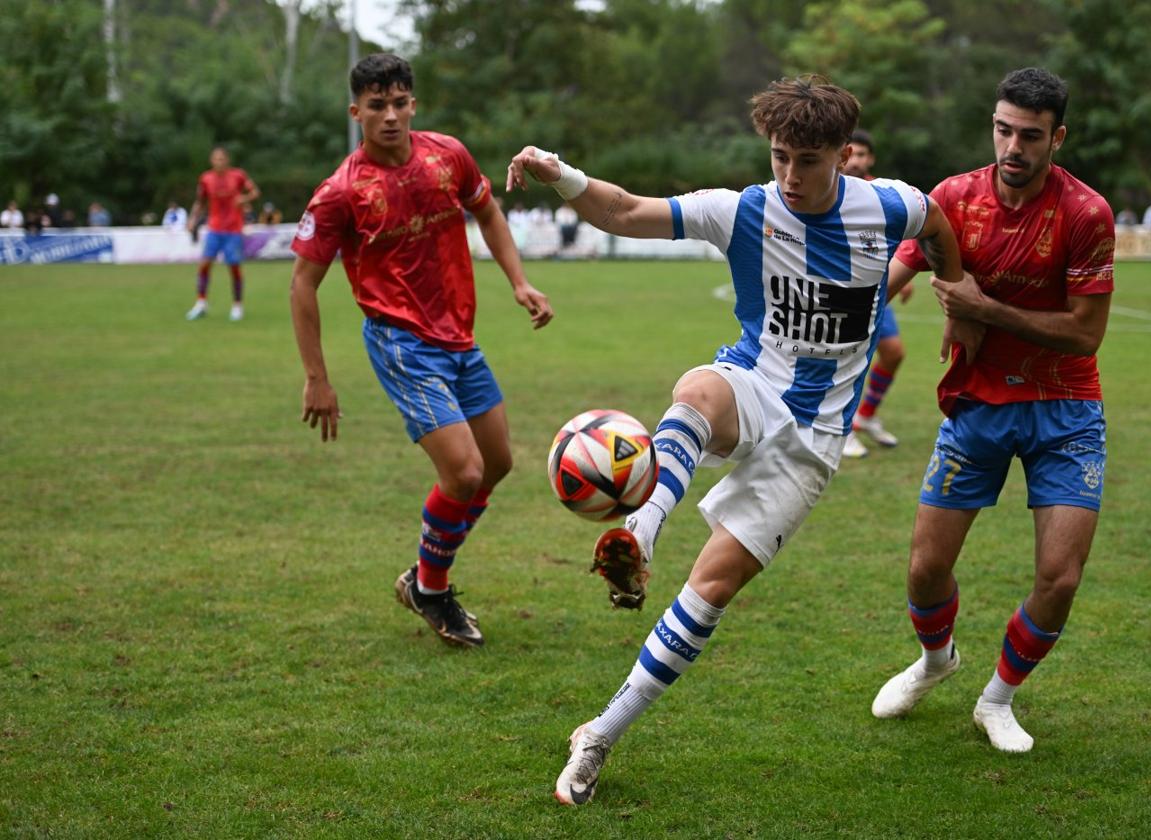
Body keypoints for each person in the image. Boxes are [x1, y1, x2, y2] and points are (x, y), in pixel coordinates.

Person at [508, 74, 963, 806]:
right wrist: (560, 172)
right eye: (780, 156)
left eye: (807, 160)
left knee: (710, 592)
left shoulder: (889, 206)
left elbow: (939, 224)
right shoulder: (744, 210)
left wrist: (958, 299)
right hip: (754, 385)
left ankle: (598, 735)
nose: (789, 174)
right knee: (697, 390)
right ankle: (642, 529)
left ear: (844, 155)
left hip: (813, 441)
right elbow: (624, 210)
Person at [870, 68, 1114, 754]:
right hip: (977, 404)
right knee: (924, 568)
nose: (1013, 146)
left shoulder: (1086, 214)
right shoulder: (954, 198)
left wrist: (981, 309)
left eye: (1031, 136)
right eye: (1004, 130)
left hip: (1066, 409)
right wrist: (851, 319)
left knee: (1059, 579)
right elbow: (903, 269)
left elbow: (1086, 332)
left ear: (1056, 138)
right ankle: (934, 660)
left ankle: (997, 698)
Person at [290, 53, 553, 648]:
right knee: (463, 472)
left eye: (399, 102)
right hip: (401, 342)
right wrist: (317, 378)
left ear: (413, 104)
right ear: (355, 111)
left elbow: (486, 210)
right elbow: (303, 284)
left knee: (498, 464)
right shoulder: (340, 192)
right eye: (376, 106)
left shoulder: (447, 156)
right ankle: (432, 588)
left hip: (459, 335)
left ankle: (423, 578)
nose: (389, 116)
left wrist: (519, 281)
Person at [841, 129, 912, 458]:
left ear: (870, 159)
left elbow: (901, 232)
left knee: (894, 353)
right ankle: (841, 431)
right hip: (838, 294)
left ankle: (865, 416)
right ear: (841, 155)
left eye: (863, 155)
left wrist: (904, 270)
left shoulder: (879, 192)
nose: (858, 160)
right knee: (850, 360)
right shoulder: (822, 190)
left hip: (874, 291)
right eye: (852, 154)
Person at [186, 146, 261, 321]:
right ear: (211, 161)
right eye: (216, 159)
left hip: (233, 229)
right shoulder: (206, 179)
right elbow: (200, 202)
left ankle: (237, 306)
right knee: (204, 265)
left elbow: (255, 192)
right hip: (214, 228)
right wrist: (192, 219)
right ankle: (201, 303)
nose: (219, 162)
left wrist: (244, 199)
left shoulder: (238, 176)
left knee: (234, 267)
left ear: (227, 160)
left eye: (222, 159)